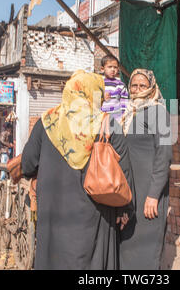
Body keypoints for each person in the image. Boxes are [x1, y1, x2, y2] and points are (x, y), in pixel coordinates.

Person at [21, 70, 135, 270]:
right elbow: (124, 172)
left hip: (53, 215)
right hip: (96, 216)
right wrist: (125, 210)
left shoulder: (46, 121)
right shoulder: (107, 124)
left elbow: (28, 165)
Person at [119, 69, 173, 270]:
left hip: (149, 193)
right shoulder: (129, 113)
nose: (138, 89)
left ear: (151, 87)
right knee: (128, 246)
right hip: (130, 192)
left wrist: (153, 194)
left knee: (147, 249)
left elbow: (165, 155)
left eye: (143, 85)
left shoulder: (160, 112)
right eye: (134, 85)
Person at [100, 55, 129, 121]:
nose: (113, 70)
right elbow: (93, 101)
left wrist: (123, 117)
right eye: (110, 67)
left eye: (115, 67)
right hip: (100, 118)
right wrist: (101, 97)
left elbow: (124, 102)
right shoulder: (98, 83)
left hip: (116, 119)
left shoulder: (120, 85)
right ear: (102, 69)